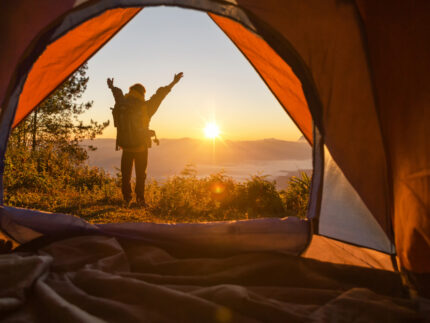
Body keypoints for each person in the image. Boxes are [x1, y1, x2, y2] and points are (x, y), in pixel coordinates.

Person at [107, 72, 183, 205]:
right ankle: (140, 200)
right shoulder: (146, 107)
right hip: (141, 146)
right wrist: (173, 83)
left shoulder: (123, 102)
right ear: (142, 93)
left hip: (126, 146)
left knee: (126, 175)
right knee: (140, 174)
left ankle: (126, 199)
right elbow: (160, 95)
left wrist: (111, 87)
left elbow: (117, 94)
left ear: (131, 91)